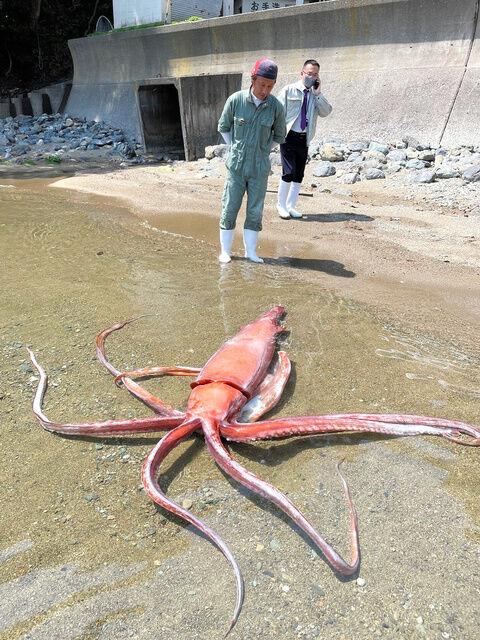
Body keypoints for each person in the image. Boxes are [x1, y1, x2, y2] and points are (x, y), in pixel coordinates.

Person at [217, 57, 286, 263]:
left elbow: (279, 136)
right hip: (236, 165)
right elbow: (224, 126)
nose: (265, 90)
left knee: (255, 210)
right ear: (253, 79)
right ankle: (226, 252)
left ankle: (251, 252)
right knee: (230, 207)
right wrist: (235, 147)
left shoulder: (276, 107)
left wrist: (263, 150)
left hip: (259, 167)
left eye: (270, 86)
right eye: (262, 84)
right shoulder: (236, 100)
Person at [276, 59, 332, 219]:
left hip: (304, 137)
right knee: (288, 172)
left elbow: (326, 112)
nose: (311, 77)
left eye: (315, 74)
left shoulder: (315, 95)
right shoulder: (289, 90)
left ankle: (291, 206)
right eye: (309, 73)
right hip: (288, 136)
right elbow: (278, 112)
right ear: (302, 73)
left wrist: (318, 93)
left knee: (299, 173)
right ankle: (281, 206)